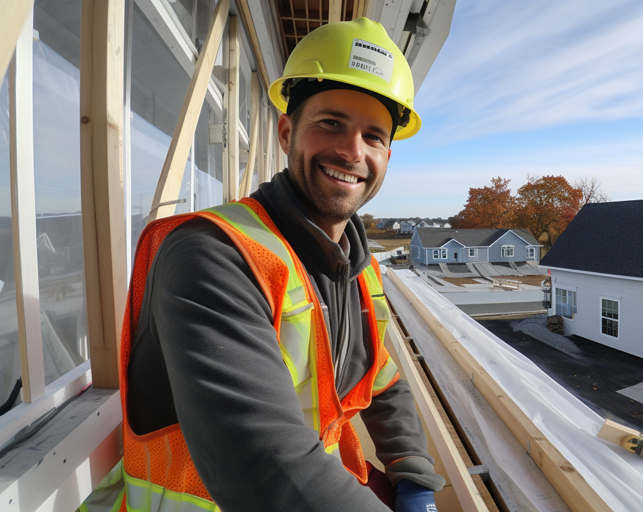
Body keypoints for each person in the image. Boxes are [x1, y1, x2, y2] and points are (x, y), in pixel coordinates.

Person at [80, 18, 444, 512]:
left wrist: (414, 474)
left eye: (374, 136)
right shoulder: (213, 255)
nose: (353, 151)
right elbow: (266, 466)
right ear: (286, 131)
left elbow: (382, 378)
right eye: (331, 123)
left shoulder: (358, 269)